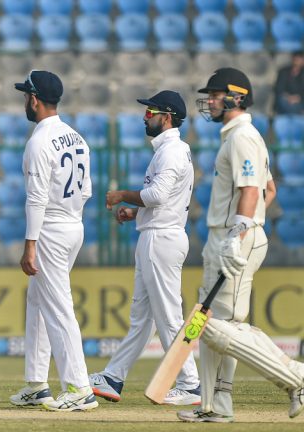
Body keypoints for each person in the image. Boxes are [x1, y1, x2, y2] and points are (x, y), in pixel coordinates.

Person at [178, 68, 303, 423]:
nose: (211, 100)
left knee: (217, 326)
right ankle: (216, 404)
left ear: (236, 97)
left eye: (216, 94)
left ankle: (297, 377)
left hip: (234, 239)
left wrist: (237, 236)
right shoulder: (237, 136)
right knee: (217, 325)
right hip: (227, 236)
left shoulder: (242, 137)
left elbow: (253, 192)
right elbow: (269, 189)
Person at [88, 90, 200, 406]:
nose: (144, 117)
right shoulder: (173, 150)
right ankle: (113, 377)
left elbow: (158, 196)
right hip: (158, 233)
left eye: (150, 112)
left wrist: (122, 194)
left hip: (161, 240)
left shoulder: (172, 152)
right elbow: (167, 201)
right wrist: (135, 212)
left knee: (168, 317)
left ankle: (191, 384)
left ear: (166, 116)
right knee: (143, 319)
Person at [9, 70, 97, 411]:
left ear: (34, 99)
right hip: (73, 224)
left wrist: (31, 243)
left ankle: (79, 388)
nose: (24, 103)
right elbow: (86, 189)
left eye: (25, 97)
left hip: (50, 230)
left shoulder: (39, 141)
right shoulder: (76, 137)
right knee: (39, 302)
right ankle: (36, 383)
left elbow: (35, 198)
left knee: (58, 307)